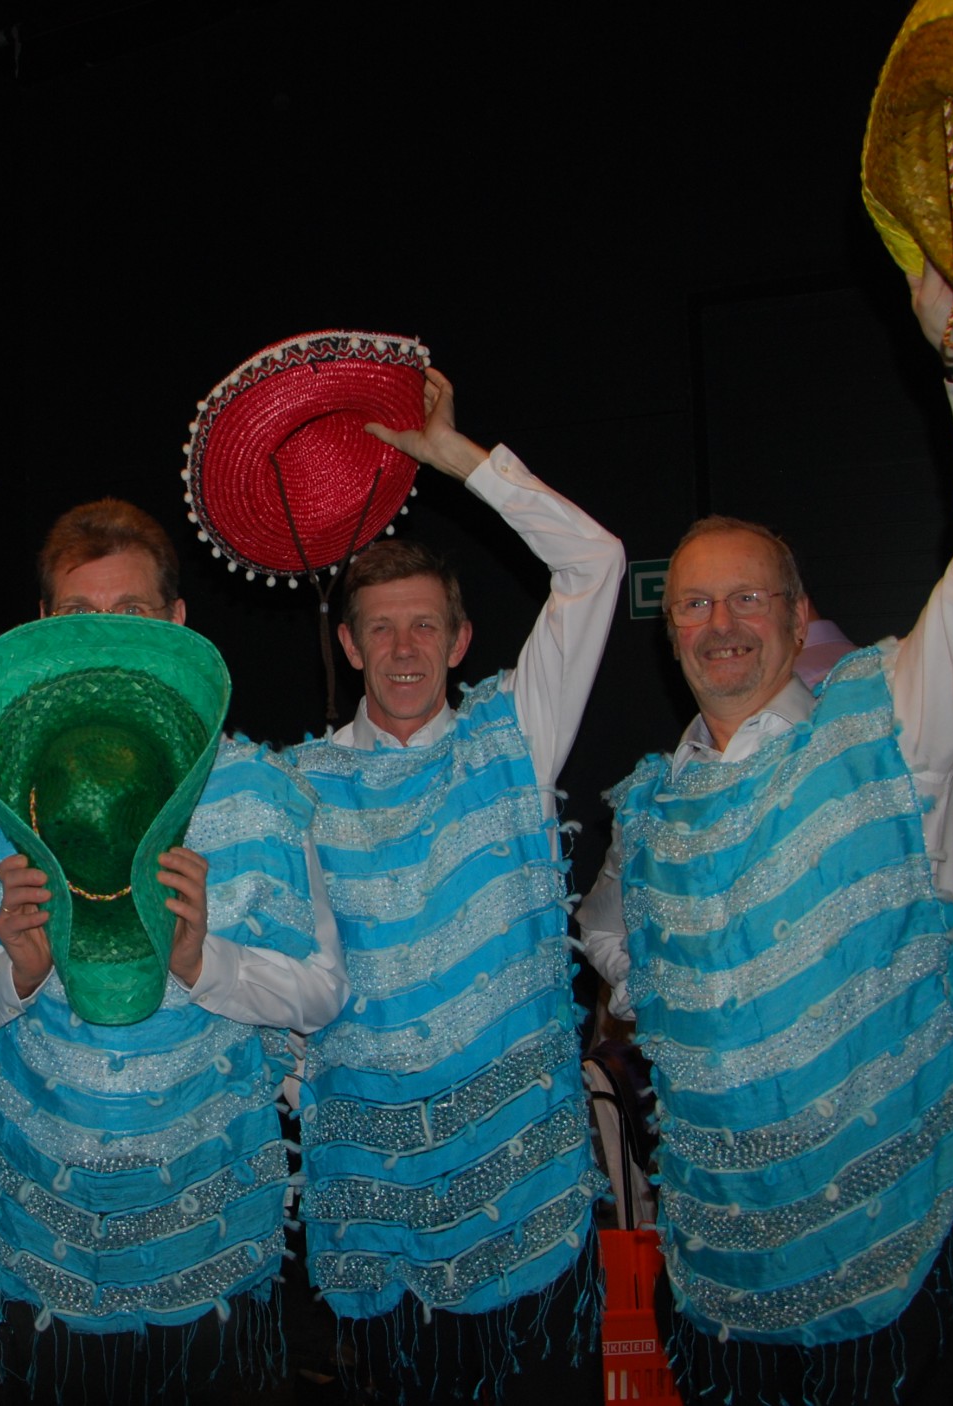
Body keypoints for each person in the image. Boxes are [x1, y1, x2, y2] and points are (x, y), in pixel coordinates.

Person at [577, 266, 953, 1404]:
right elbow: (609, 936)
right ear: (670, 631)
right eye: (695, 603)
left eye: (749, 598)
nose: (721, 624)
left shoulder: (891, 721)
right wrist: (695, 1017)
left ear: (800, 621)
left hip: (883, 1254)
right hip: (721, 1265)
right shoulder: (653, 802)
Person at [0, 499, 346, 1401]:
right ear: (45, 627)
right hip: (45, 1235)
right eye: (80, 614)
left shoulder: (259, 789)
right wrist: (18, 969)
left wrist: (205, 963)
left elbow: (320, 993)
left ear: (176, 622)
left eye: (131, 612)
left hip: (211, 1229)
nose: (107, 637)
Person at [282, 369, 625, 1399]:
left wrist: (458, 460)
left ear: (461, 640)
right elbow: (279, 980)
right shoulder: (294, 787)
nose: (404, 648)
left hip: (528, 1204)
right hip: (377, 1215)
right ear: (349, 643)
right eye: (381, 628)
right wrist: (313, 1093)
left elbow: (597, 564)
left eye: (425, 625)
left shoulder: (513, 737)